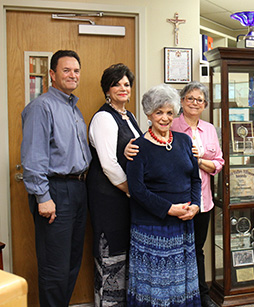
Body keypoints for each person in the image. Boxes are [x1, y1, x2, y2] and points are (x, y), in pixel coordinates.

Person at [21, 50, 92, 306]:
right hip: (55, 192)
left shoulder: (73, 108)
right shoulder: (42, 107)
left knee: (72, 262)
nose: (72, 75)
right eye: (66, 70)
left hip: (77, 190)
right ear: (52, 74)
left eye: (76, 70)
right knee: (55, 268)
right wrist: (43, 197)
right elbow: (33, 157)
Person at [126, 84, 201, 306]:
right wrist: (169, 209)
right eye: (159, 112)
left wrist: (195, 205)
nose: (165, 118)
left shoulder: (185, 141)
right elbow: (137, 190)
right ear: (149, 114)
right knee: (154, 286)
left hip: (183, 222)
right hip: (151, 226)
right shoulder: (137, 147)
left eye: (169, 112)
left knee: (180, 282)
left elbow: (195, 179)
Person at [87, 63, 142, 306]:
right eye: (116, 84)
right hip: (109, 196)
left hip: (125, 198)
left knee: (125, 255)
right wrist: (133, 191)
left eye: (126, 84)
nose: (122, 88)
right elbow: (109, 163)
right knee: (111, 257)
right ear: (107, 89)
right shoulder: (103, 118)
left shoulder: (128, 116)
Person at [171, 81, 224, 307]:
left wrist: (199, 161)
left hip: (204, 201)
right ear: (181, 101)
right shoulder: (170, 124)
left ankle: (201, 296)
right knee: (174, 249)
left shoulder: (210, 129)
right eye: (190, 98)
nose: (194, 103)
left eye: (199, 100)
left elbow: (219, 163)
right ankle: (176, 296)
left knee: (197, 250)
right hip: (177, 200)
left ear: (205, 105)